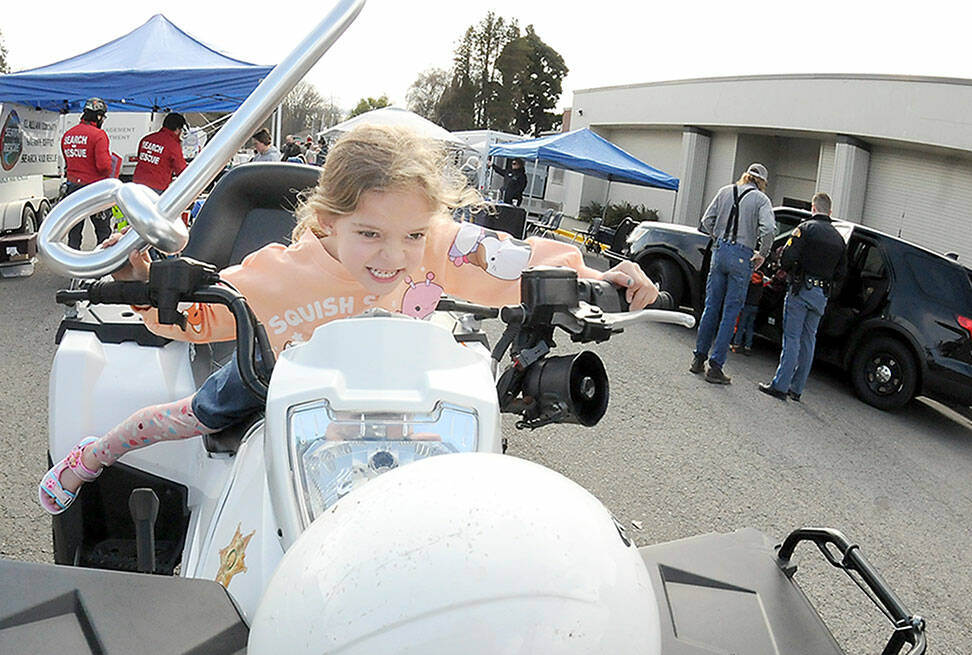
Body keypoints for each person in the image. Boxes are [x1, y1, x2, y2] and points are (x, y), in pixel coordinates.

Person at [38, 125, 662, 514]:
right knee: (183, 415)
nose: (395, 256)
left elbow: (513, 263)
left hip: (389, 387)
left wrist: (594, 275)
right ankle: (93, 455)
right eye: (370, 234)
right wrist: (146, 289)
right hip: (275, 375)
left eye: (413, 233)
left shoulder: (436, 245)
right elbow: (201, 317)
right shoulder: (281, 271)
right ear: (325, 221)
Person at [690, 163, 776, 384]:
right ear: (762, 182)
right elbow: (768, 230)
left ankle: (698, 359)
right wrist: (762, 254)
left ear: (745, 176)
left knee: (711, 307)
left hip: (720, 252)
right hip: (742, 254)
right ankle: (716, 367)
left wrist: (717, 238)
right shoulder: (761, 200)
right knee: (731, 312)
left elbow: (705, 221)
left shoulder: (724, 191)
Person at [759, 192, 847, 401]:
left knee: (791, 339)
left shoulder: (805, 229)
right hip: (821, 295)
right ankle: (796, 389)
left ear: (813, 208)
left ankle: (780, 385)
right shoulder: (839, 239)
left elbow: (787, 258)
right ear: (830, 212)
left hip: (801, 290)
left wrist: (787, 271)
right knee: (809, 340)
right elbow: (842, 273)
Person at [60, 98, 118, 249]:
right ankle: (103, 266)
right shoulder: (99, 135)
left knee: (74, 231)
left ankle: (73, 266)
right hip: (94, 189)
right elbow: (104, 167)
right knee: (103, 231)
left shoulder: (68, 135)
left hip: (72, 188)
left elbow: (68, 162)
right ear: (98, 116)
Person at [131, 112, 189, 194]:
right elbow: (181, 171)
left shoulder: (147, 139)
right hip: (156, 187)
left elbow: (139, 157)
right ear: (178, 129)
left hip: (137, 184)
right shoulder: (173, 145)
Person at [730, 271, 766, 355]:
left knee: (741, 325)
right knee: (750, 327)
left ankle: (736, 344)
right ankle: (748, 346)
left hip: (747, 305)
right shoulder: (760, 284)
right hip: (755, 307)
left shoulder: (749, 283)